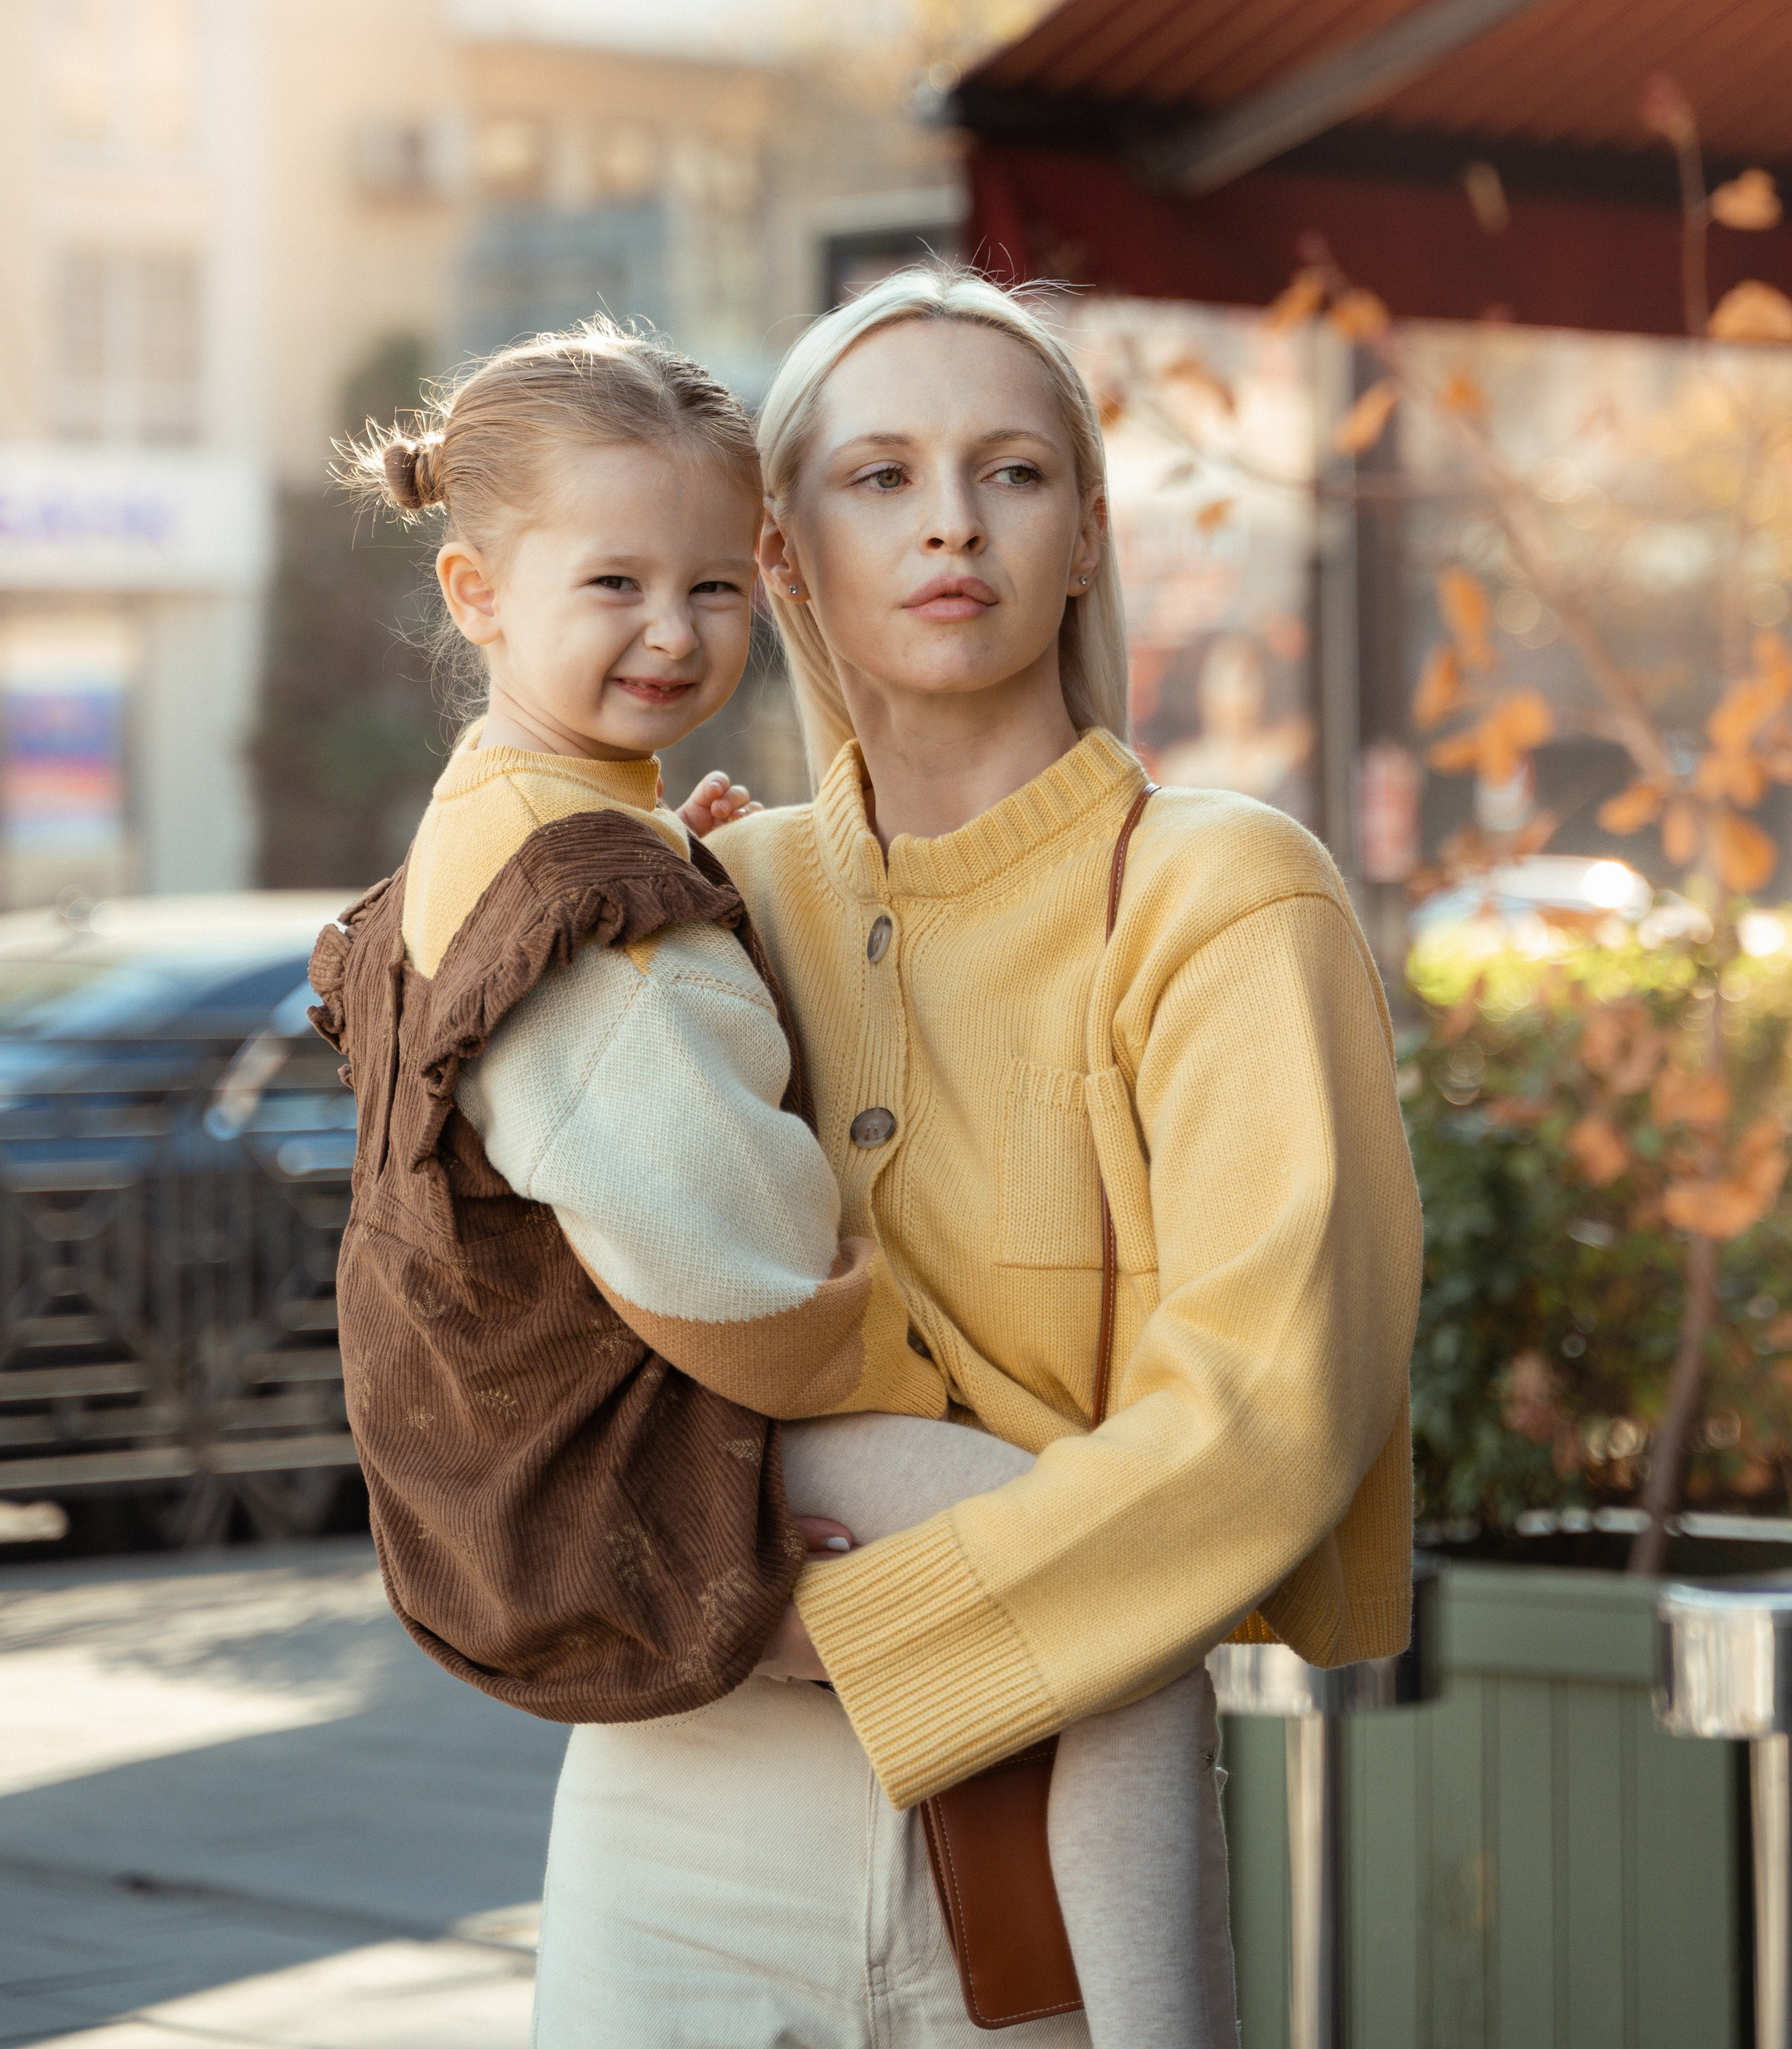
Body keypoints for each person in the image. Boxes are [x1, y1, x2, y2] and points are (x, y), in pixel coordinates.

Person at [315, 319, 1236, 2049]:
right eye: (613, 586)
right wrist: (932, 1395)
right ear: (474, 591)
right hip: (695, 1422)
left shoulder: (532, 819)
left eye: (710, 587)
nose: (671, 634)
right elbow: (722, 1260)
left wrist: (688, 861)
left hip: (572, 1437)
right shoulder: (587, 901)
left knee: (1088, 1609)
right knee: (1126, 1606)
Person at [543, 270, 1423, 2043]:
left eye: (1010, 471)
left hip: (1034, 1832)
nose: (949, 516)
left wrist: (847, 1630)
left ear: (1087, 535)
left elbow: (1270, 1415)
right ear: (781, 555)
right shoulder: (710, 894)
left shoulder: (1220, 892)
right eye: (879, 476)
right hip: (672, 1812)